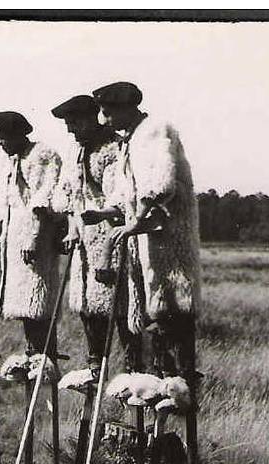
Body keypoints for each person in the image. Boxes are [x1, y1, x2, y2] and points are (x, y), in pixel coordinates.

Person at [91, 81, 201, 379]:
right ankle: (160, 380)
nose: (105, 120)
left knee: (173, 307)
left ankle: (179, 382)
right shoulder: (131, 140)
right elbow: (126, 192)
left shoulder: (155, 131)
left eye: (108, 113)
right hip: (147, 240)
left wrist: (137, 221)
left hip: (167, 238)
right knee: (155, 310)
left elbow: (160, 183)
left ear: (126, 108)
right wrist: (103, 212)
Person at [51, 94, 143, 385]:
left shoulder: (114, 149)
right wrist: (72, 228)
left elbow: (120, 202)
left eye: (74, 123)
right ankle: (95, 367)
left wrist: (106, 251)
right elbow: (70, 195)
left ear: (91, 119)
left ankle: (133, 370)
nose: (70, 130)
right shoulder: (75, 151)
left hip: (113, 238)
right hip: (84, 240)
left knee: (121, 306)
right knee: (88, 306)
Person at [0, 110, 65, 382]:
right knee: (25, 305)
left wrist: (33, 237)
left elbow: (43, 200)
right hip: (16, 244)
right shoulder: (15, 161)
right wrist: (2, 238)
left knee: (38, 301)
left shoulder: (42, 157)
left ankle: (44, 357)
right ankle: (32, 354)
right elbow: (9, 205)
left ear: (14, 135)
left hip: (35, 245)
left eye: (1, 137)